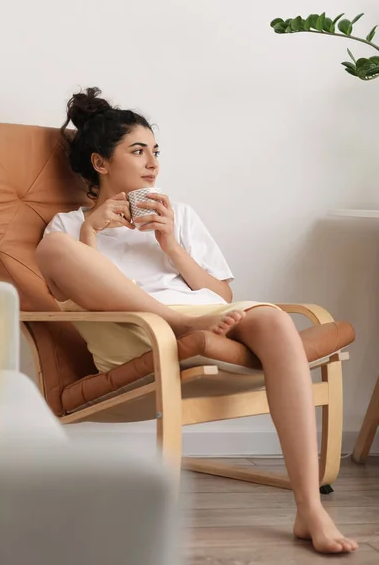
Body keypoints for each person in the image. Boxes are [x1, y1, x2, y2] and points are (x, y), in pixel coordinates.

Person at [36, 87, 357, 554]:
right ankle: (182, 327)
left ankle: (310, 508)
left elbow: (222, 295)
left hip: (201, 318)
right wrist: (92, 231)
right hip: (138, 332)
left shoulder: (177, 215)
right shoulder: (66, 228)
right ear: (100, 163)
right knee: (57, 251)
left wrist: (171, 245)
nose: (152, 163)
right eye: (138, 151)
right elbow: (74, 295)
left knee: (272, 321)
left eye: (155, 151)